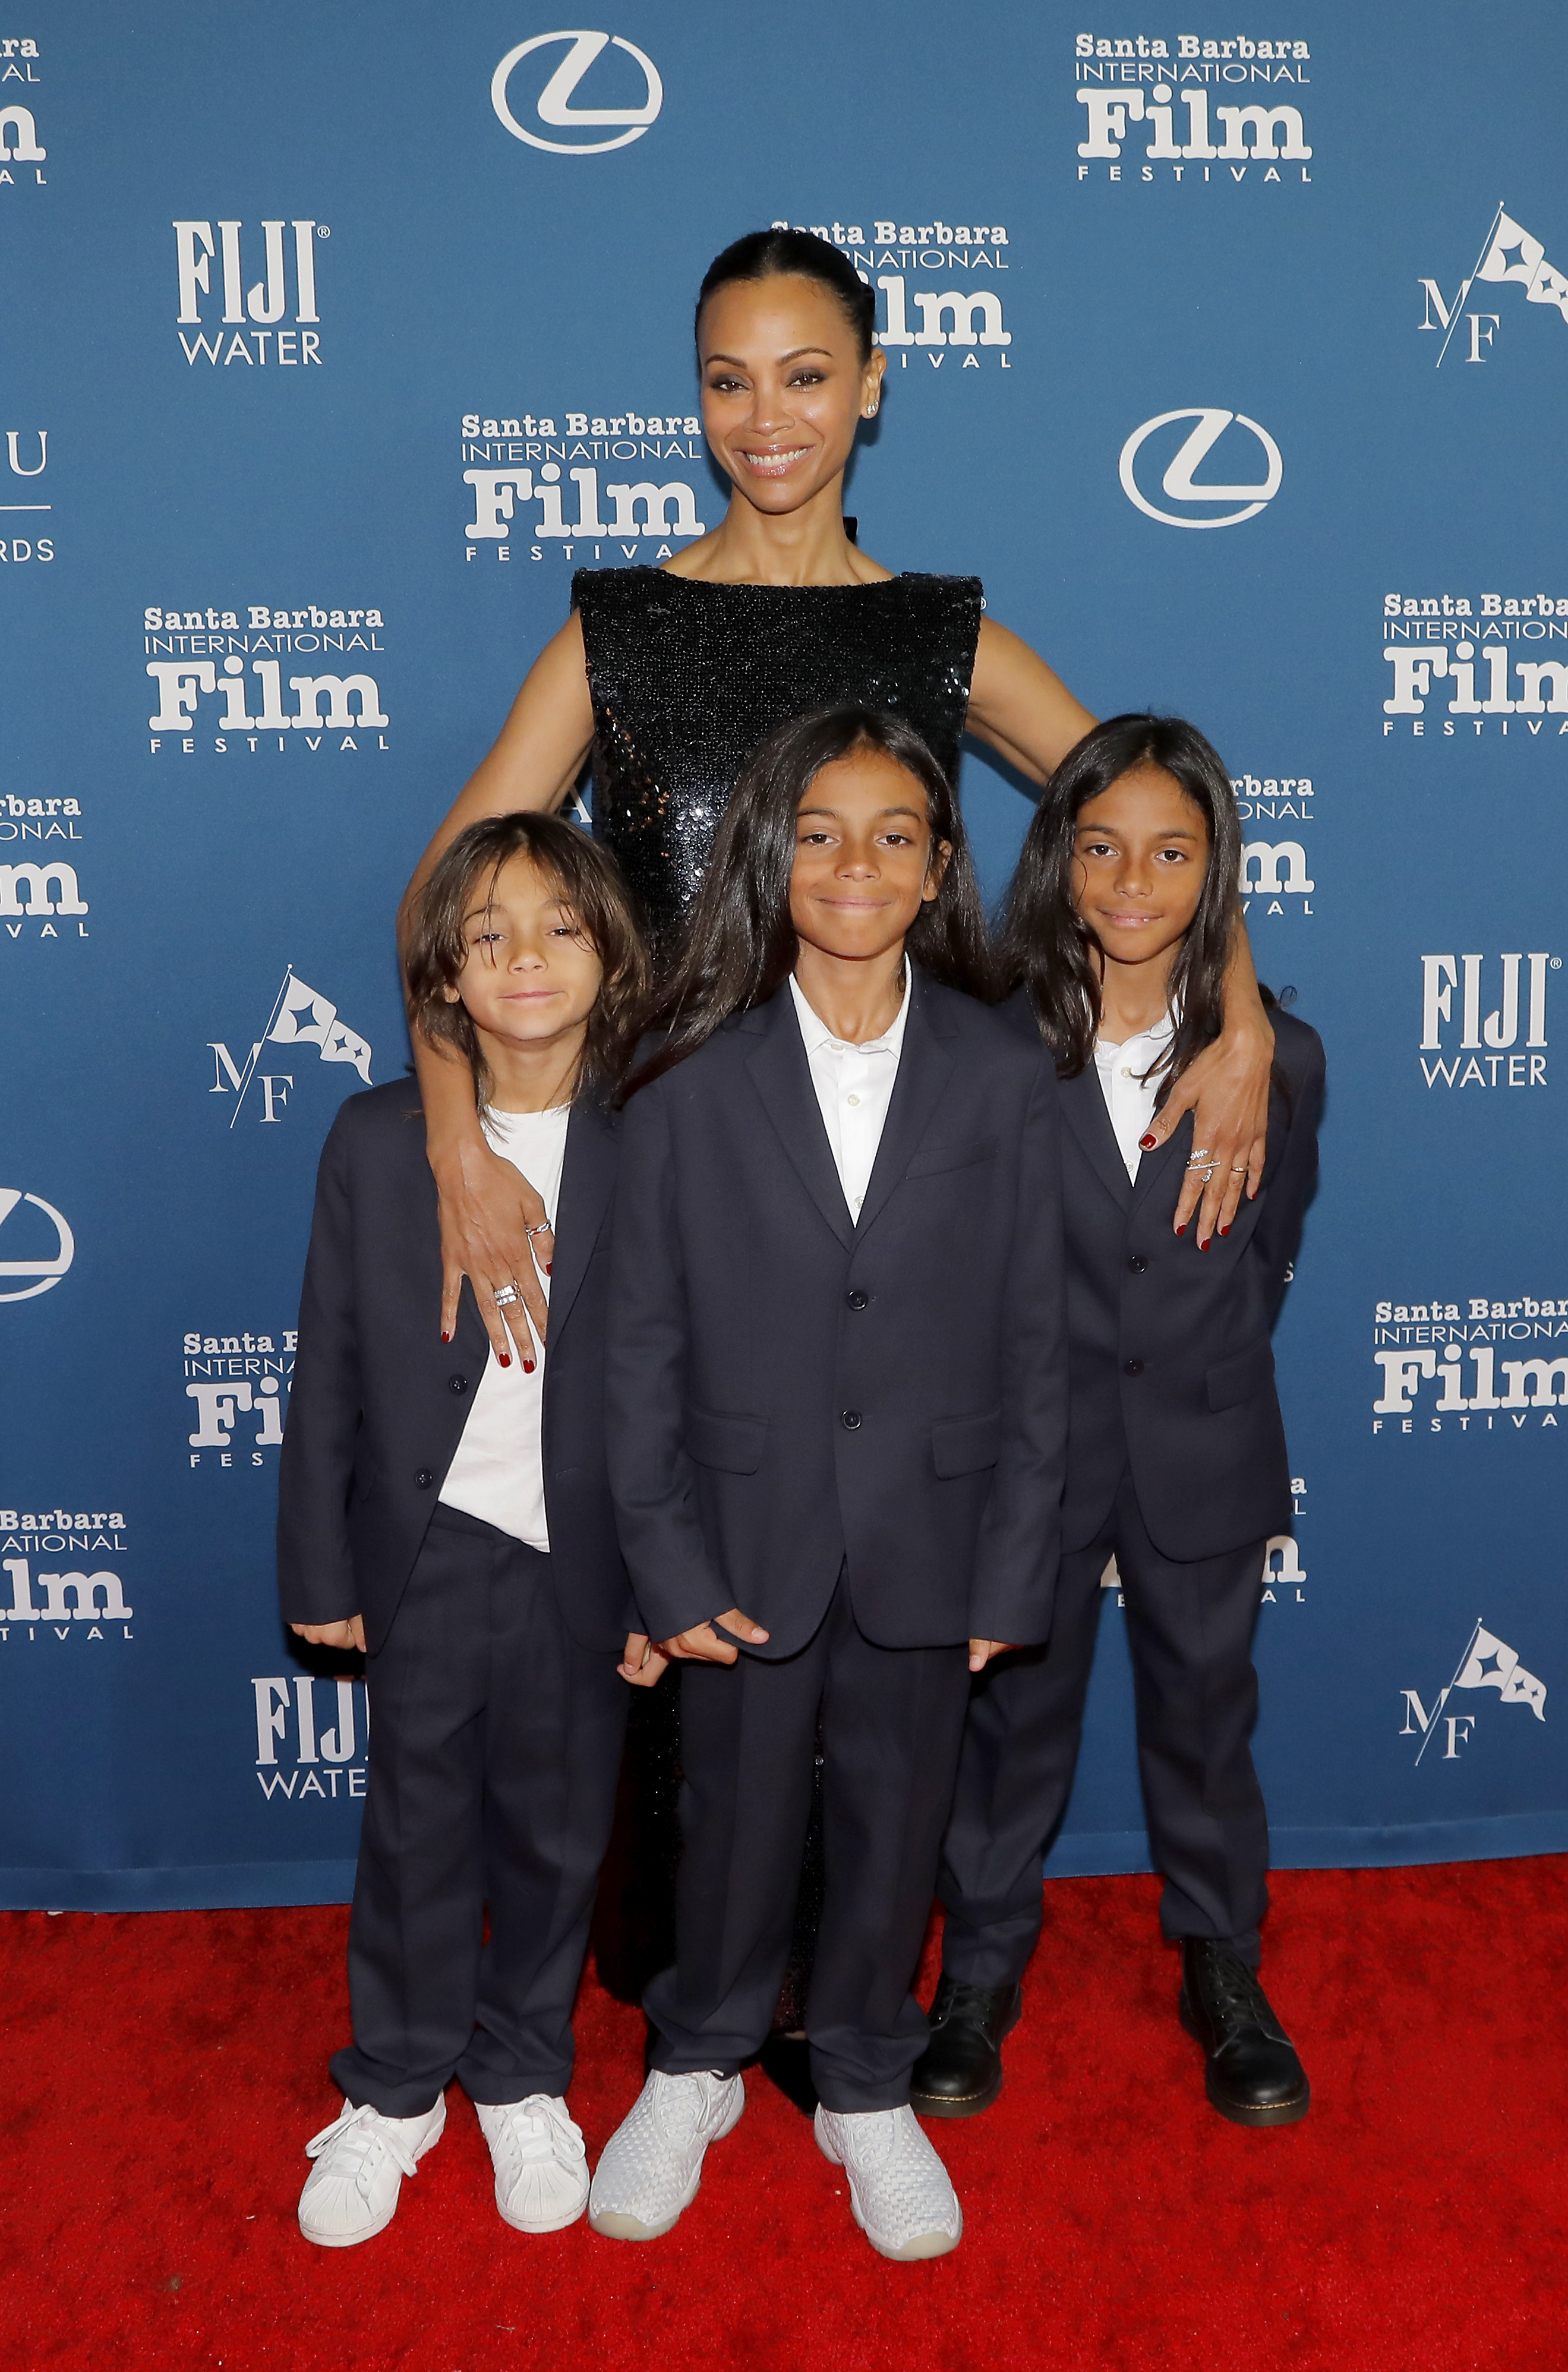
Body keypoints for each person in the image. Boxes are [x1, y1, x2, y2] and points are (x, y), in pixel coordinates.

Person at [399, 227, 1273, 1380]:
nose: (766, 420)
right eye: (730, 382)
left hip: (899, 1198)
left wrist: (1242, 1012)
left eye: (806, 376)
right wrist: (457, 1144)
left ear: (869, 385)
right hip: (667, 1175)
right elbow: (437, 906)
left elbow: (1158, 826)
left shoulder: (938, 634)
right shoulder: (615, 636)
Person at [585, 706, 1068, 2260]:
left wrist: (1011, 1572)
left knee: (898, 1813)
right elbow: (640, 1351)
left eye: (892, 836)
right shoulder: (686, 1078)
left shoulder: (1008, 1072)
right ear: (770, 857)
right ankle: (698, 2059)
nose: (854, 864)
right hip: (739, 1532)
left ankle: (867, 2077)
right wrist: (661, 1566)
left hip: (931, 1536)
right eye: (818, 833)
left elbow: (1038, 1344)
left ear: (937, 870)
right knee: (723, 1816)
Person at [911, 715, 1324, 2130]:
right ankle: (976, 1974)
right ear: (1060, 858)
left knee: (1208, 1727)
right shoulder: (979, 1046)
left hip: (1203, 1448)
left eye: (1170, 851)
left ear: (1217, 873)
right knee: (1010, 1731)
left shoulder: (1280, 1060)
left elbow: (1265, 1259)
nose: (1132, 880)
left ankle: (1224, 1969)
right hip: (1032, 1461)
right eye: (1101, 847)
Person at [278, 813, 660, 2248]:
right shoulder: (379, 1139)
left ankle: (521, 2074)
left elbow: (682, 1393)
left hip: (585, 1556)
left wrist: (659, 1582)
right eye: (487, 931)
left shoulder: (653, 1142)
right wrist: (321, 1566)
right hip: (422, 1551)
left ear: (612, 957)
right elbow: (326, 1366)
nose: (523, 957)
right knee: (416, 1825)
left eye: (560, 926)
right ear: (441, 970)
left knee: (560, 1836)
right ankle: (392, 2086)